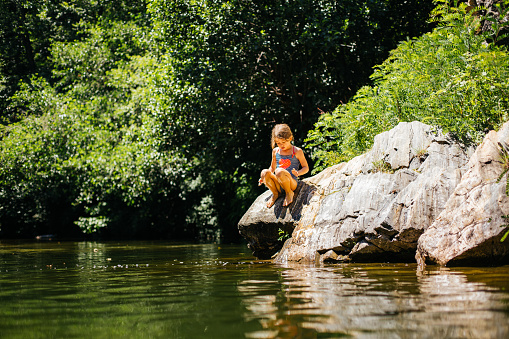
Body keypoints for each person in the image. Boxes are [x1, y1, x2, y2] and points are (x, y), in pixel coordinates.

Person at [259, 124, 309, 208]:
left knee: (279, 171)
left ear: (290, 138)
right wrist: (264, 178)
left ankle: (289, 192)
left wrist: (298, 173)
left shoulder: (297, 151)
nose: (281, 145)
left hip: (291, 183)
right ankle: (275, 194)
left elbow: (306, 168)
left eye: (283, 142)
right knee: (264, 172)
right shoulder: (275, 151)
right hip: (279, 183)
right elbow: (272, 168)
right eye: (278, 143)